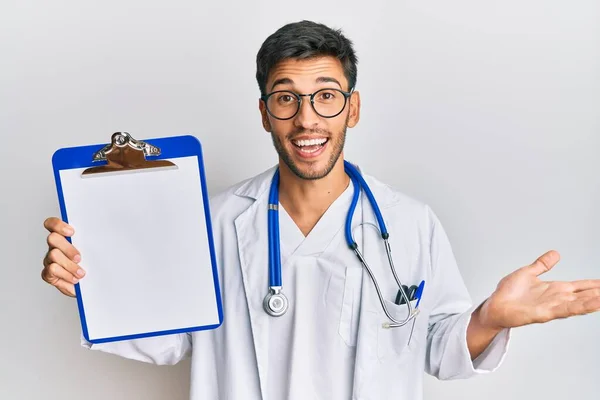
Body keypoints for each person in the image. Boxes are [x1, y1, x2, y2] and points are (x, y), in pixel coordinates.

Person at [41, 20, 600, 400]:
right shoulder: (211, 223)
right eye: (286, 97)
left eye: (326, 95)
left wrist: (488, 320)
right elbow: (171, 340)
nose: (307, 119)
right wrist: (92, 280)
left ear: (352, 108)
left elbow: (438, 350)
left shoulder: (409, 223)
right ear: (265, 113)